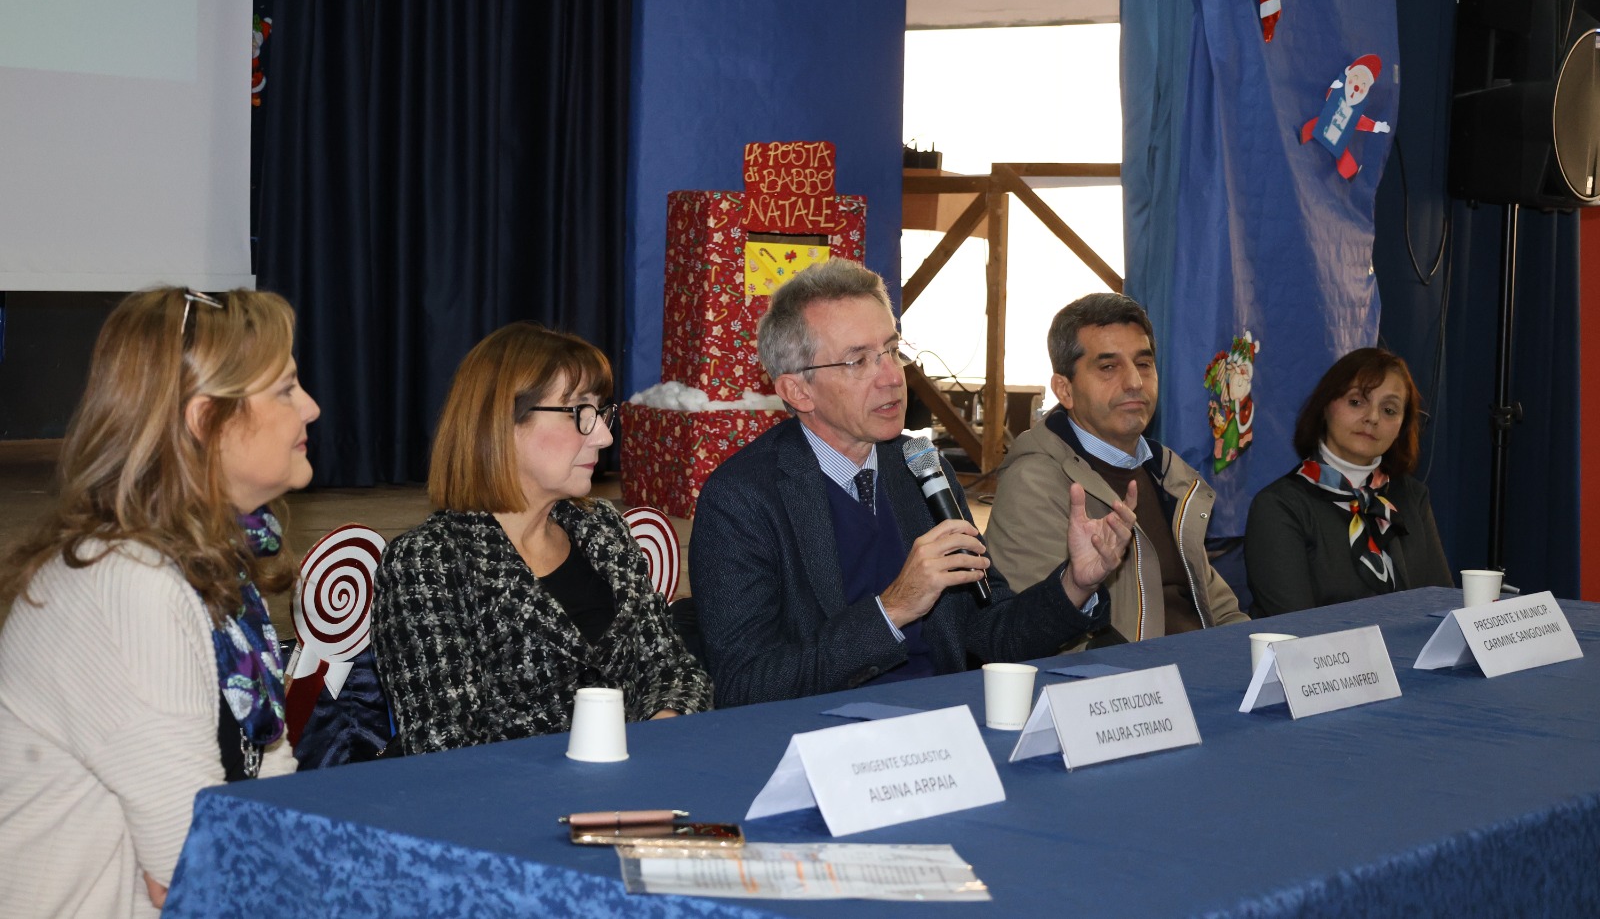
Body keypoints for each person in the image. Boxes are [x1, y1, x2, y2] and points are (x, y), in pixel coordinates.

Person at [0, 287, 316, 917]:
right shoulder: (127, 586)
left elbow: (266, 785)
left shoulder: (206, 558)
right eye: (284, 390)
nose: (310, 407)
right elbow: (196, 870)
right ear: (205, 420)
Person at [690, 259, 1130, 707]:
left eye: (891, 349)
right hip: (823, 740)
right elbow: (745, 685)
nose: (890, 377)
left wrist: (1075, 584)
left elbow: (991, 633)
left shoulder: (918, 466)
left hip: (945, 722)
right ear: (798, 391)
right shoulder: (742, 498)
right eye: (858, 360)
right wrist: (893, 610)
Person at [372, 323, 712, 755]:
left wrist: (660, 734)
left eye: (600, 413)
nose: (605, 436)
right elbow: (446, 748)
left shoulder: (602, 530)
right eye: (579, 413)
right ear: (502, 424)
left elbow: (674, 672)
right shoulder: (429, 563)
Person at [985, 294, 1249, 643]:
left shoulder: (1168, 474)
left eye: (1143, 364)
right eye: (1108, 367)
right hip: (1125, 687)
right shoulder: (1035, 483)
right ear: (1065, 389)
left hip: (1200, 671)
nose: (1135, 383)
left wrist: (1252, 657)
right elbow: (1033, 640)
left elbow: (1216, 605)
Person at [1245, 348, 1452, 616]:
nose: (1373, 418)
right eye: (1356, 402)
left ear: (1402, 426)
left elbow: (1441, 608)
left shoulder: (1412, 497)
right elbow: (1293, 631)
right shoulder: (1278, 507)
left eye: (1389, 410)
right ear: (1325, 407)